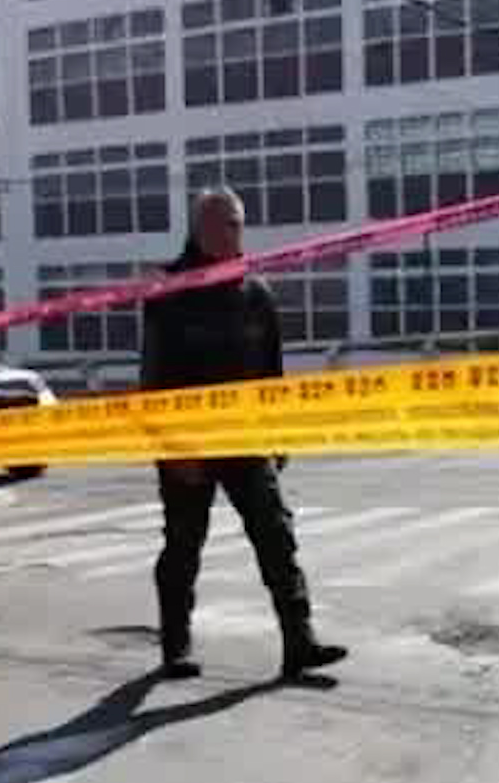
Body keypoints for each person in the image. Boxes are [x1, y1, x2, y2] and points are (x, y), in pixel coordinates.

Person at [140, 187, 348, 682]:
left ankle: (299, 642)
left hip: (248, 437)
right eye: (226, 224)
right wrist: (171, 450)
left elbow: (272, 374)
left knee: (277, 537)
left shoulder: (256, 293)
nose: (236, 233)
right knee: (184, 545)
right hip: (189, 444)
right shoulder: (168, 292)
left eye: (239, 224)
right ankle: (176, 645)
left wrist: (278, 436)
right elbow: (152, 379)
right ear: (199, 228)